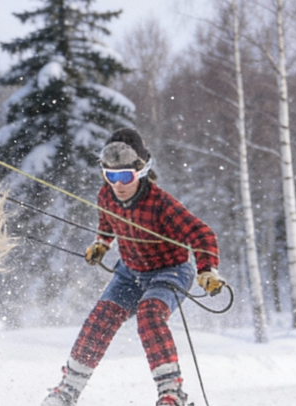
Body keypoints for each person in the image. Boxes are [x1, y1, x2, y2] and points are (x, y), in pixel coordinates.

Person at [42, 128, 225, 406]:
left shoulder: (160, 203)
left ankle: (172, 394)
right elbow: (107, 224)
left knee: (150, 316)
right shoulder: (105, 196)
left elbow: (201, 234)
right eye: (110, 175)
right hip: (129, 273)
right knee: (100, 319)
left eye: (124, 175)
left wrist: (207, 270)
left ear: (140, 171)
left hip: (170, 270)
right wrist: (101, 244)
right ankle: (67, 391)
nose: (118, 184)